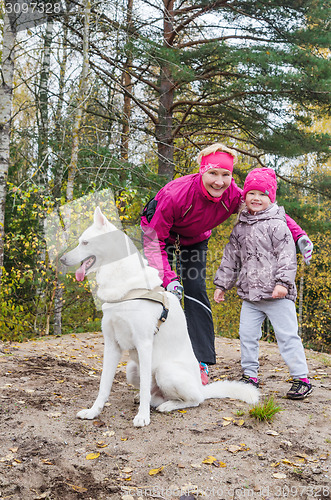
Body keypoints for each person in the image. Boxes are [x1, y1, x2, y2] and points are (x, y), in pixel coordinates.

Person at [141, 143, 313, 385]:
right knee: (161, 294)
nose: (219, 182)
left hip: (194, 239)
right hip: (159, 238)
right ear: (202, 171)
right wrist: (168, 278)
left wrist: (299, 235)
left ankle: (200, 362)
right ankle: (154, 358)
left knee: (194, 290)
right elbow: (153, 240)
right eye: (213, 173)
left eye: (226, 175)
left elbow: (269, 211)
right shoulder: (175, 195)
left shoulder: (234, 195)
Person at [213, 167, 313, 399]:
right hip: (250, 296)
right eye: (251, 193)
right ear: (244, 196)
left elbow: (288, 256)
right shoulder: (240, 226)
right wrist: (222, 285)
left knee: (288, 336)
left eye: (262, 194)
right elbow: (231, 258)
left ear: (271, 198)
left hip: (278, 295)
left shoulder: (278, 225)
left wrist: (283, 283)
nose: (256, 198)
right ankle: (250, 376)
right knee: (247, 336)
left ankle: (301, 378)